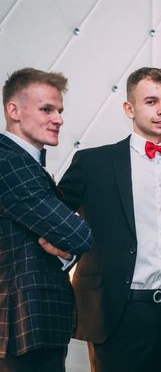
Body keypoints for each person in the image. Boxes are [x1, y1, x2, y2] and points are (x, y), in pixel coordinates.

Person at [57, 67, 161, 372]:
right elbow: (52, 218)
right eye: (151, 101)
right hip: (115, 311)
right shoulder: (94, 163)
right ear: (129, 108)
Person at [0, 68, 92, 372]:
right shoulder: (9, 162)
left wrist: (63, 251)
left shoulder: (25, 163)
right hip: (23, 326)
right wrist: (67, 243)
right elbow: (78, 235)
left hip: (35, 326)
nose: (58, 119)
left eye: (60, 111)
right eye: (46, 109)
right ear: (14, 110)